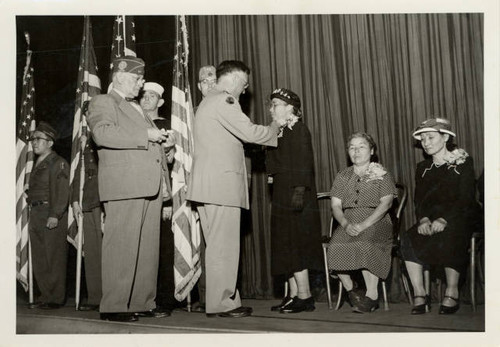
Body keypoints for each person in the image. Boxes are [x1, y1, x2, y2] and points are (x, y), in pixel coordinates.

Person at [187, 60, 280, 318]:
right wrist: (276, 126)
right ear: (236, 79)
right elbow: (249, 132)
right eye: (244, 84)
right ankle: (223, 303)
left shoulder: (208, 101)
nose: (245, 89)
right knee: (223, 247)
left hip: (209, 186)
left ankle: (223, 300)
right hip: (221, 185)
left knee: (218, 246)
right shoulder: (225, 100)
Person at [87, 56, 173, 322]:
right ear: (120, 76)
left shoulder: (137, 108)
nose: (142, 83)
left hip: (148, 185)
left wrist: (162, 144)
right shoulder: (103, 102)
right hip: (124, 186)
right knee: (121, 247)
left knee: (147, 250)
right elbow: (103, 134)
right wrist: (146, 136)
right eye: (138, 78)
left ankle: (140, 301)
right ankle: (114, 305)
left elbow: (146, 144)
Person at [401, 118, 480, 315]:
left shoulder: (463, 162)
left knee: (451, 233)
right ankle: (420, 294)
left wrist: (445, 219)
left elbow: (466, 198)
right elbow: (420, 200)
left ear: (445, 137)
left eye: (430, 137)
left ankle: (451, 292)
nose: (426, 142)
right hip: (432, 218)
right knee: (408, 238)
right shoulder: (422, 168)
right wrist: (424, 219)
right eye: (423, 139)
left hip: (461, 216)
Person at [266, 88, 323, 313]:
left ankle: (304, 295)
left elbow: (304, 163)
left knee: (295, 244)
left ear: (290, 107)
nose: (271, 109)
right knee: (284, 245)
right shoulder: (279, 131)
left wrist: (299, 191)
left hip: (295, 195)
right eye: (271, 105)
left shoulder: (298, 129)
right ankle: (292, 294)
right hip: (281, 194)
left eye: (276, 105)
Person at [327, 132, 397, 313]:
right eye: (352, 147)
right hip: (348, 220)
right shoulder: (342, 176)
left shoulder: (382, 173)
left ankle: (372, 296)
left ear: (372, 150)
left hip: (376, 220)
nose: (356, 151)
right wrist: (345, 224)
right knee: (335, 248)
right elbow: (335, 205)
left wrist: (365, 225)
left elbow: (386, 203)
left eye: (361, 147)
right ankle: (352, 291)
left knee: (365, 243)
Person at [139, 81, 178, 311]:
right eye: (143, 95)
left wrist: (168, 201)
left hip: (160, 196)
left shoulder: (166, 127)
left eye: (152, 96)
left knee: (162, 249)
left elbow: (170, 163)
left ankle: (163, 300)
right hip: (139, 193)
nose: (146, 99)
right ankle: (142, 299)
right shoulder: (134, 123)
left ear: (160, 102)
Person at [27, 121, 69, 309]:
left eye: (39, 139)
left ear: (50, 142)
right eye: (33, 139)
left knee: (54, 257)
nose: (34, 142)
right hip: (36, 212)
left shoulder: (57, 162)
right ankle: (45, 295)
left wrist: (55, 214)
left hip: (50, 213)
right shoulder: (37, 163)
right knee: (40, 257)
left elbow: (61, 192)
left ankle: (55, 298)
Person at [71, 133, 102, 311]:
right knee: (92, 253)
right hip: (88, 202)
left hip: (105, 201)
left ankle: (112, 297)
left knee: (108, 252)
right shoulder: (87, 143)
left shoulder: (105, 136)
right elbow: (79, 174)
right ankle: (95, 297)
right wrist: (75, 200)